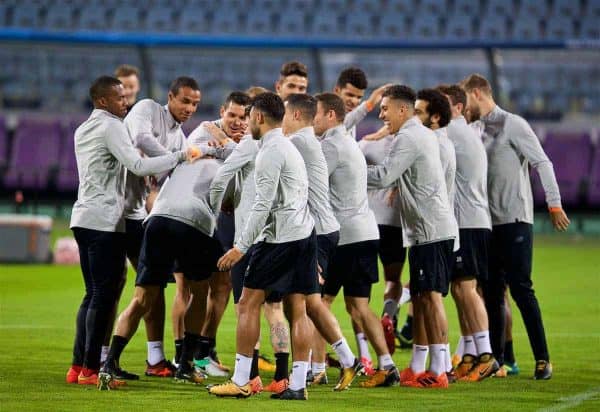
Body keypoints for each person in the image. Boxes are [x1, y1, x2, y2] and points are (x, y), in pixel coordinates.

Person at [66, 76, 198, 387]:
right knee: (104, 294)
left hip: (84, 217)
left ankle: (78, 366)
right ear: (102, 102)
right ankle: (90, 370)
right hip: (105, 222)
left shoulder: (84, 127)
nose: (125, 102)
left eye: (125, 97)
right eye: (119, 98)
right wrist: (181, 156)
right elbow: (137, 166)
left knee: (93, 294)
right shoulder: (111, 126)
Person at [461, 74, 570, 380]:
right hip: (486, 223)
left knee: (522, 289)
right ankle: (495, 360)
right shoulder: (473, 129)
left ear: (478, 94)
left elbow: (542, 163)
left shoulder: (514, 124)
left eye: (466, 98)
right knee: (492, 292)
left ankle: (543, 359)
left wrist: (554, 203)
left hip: (515, 220)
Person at [208, 92, 316, 400]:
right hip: (304, 233)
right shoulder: (288, 147)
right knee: (298, 309)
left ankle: (242, 380)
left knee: (247, 303)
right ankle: (297, 384)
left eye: (248, 117)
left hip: (280, 238)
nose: (245, 123)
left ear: (258, 118)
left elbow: (262, 204)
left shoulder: (269, 151)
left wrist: (240, 246)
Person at [367, 85, 456, 389]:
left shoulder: (409, 136)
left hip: (429, 231)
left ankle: (440, 369)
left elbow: (384, 175)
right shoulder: (423, 135)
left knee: (430, 298)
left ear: (402, 110)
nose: (381, 115)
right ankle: (422, 366)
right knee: (420, 297)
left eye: (385, 109)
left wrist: (350, 170)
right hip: (426, 230)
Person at [117, 77, 202, 378]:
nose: (190, 108)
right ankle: (96, 361)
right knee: (108, 291)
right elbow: (140, 139)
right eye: (185, 101)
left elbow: (170, 176)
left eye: (195, 104)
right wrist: (170, 160)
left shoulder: (180, 137)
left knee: (153, 289)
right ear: (170, 96)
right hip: (113, 214)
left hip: (138, 215)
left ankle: (155, 359)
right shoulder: (147, 109)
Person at [314, 93, 399, 388]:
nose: (313, 120)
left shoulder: (331, 145)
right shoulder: (349, 142)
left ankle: (316, 367)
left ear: (331, 116)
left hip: (345, 237)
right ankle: (387, 365)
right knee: (358, 306)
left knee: (318, 302)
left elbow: (311, 181)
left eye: (317, 114)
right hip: (365, 232)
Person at [282, 93, 363, 390]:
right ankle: (344, 359)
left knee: (302, 304)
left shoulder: (299, 142)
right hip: (319, 230)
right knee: (309, 304)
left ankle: (300, 380)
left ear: (293, 116)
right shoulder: (307, 142)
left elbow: (262, 153)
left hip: (316, 234)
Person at [185, 91, 251, 377]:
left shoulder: (243, 138)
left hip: (223, 218)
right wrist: (222, 147)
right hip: (196, 218)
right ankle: (184, 355)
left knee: (222, 286)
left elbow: (241, 160)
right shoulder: (202, 131)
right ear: (222, 111)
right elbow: (192, 156)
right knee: (192, 290)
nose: (236, 122)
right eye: (232, 115)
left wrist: (222, 146)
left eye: (242, 117)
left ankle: (203, 352)